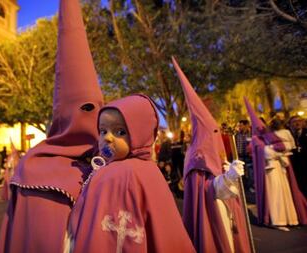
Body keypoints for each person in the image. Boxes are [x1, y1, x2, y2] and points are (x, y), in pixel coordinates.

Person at [0, 0, 104, 252]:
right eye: (84, 108)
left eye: (97, 108)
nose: (92, 117)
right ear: (64, 113)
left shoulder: (112, 161)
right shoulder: (33, 168)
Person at [68, 94, 195, 253]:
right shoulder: (149, 170)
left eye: (120, 132)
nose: (107, 138)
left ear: (140, 134)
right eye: (103, 131)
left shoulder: (116, 175)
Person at [172, 57, 251, 253]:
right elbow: (208, 191)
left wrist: (227, 168)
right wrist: (228, 177)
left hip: (227, 209)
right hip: (214, 212)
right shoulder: (197, 156)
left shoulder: (210, 151)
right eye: (213, 132)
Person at [244, 99, 307, 231]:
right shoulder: (257, 139)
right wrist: (279, 150)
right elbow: (266, 153)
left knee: (285, 192)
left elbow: (288, 146)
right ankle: (277, 220)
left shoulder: (270, 136)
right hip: (270, 170)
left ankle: (290, 218)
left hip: (280, 168)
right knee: (275, 194)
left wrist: (281, 149)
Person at [288, 115, 307, 197]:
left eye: (299, 120)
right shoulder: (288, 135)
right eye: (294, 121)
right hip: (294, 169)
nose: (297, 123)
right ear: (289, 124)